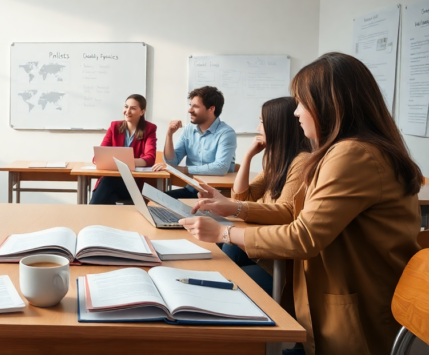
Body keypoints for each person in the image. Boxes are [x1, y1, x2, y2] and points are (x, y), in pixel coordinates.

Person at [181, 53, 422, 355]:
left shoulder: (352, 154)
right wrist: (233, 209)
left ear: (329, 105)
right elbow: (294, 213)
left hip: (357, 319)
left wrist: (223, 233)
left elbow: (303, 235)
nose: (296, 113)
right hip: (339, 304)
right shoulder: (346, 151)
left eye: (302, 103)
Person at [194, 97, 311, 295]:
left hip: (275, 263)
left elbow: (285, 212)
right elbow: (243, 197)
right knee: (222, 258)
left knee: (226, 278)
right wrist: (248, 156)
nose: (258, 128)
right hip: (260, 251)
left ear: (277, 125)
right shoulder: (278, 160)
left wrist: (234, 207)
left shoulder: (301, 162)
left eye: (262, 122)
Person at [152, 86, 237, 199]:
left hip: (216, 194)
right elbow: (172, 161)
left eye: (195, 106)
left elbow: (220, 167)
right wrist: (169, 134)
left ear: (211, 109)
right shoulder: (189, 130)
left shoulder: (226, 133)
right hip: (192, 189)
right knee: (155, 199)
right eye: (190, 105)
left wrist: (184, 170)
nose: (189, 110)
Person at [89, 94, 157, 205]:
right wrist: (101, 159)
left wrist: (122, 162)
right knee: (109, 196)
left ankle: (89, 213)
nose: (127, 111)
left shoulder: (149, 129)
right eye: (126, 106)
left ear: (142, 111)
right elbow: (99, 156)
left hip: (132, 184)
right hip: (112, 184)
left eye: (133, 108)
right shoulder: (114, 126)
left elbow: (150, 158)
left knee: (108, 181)